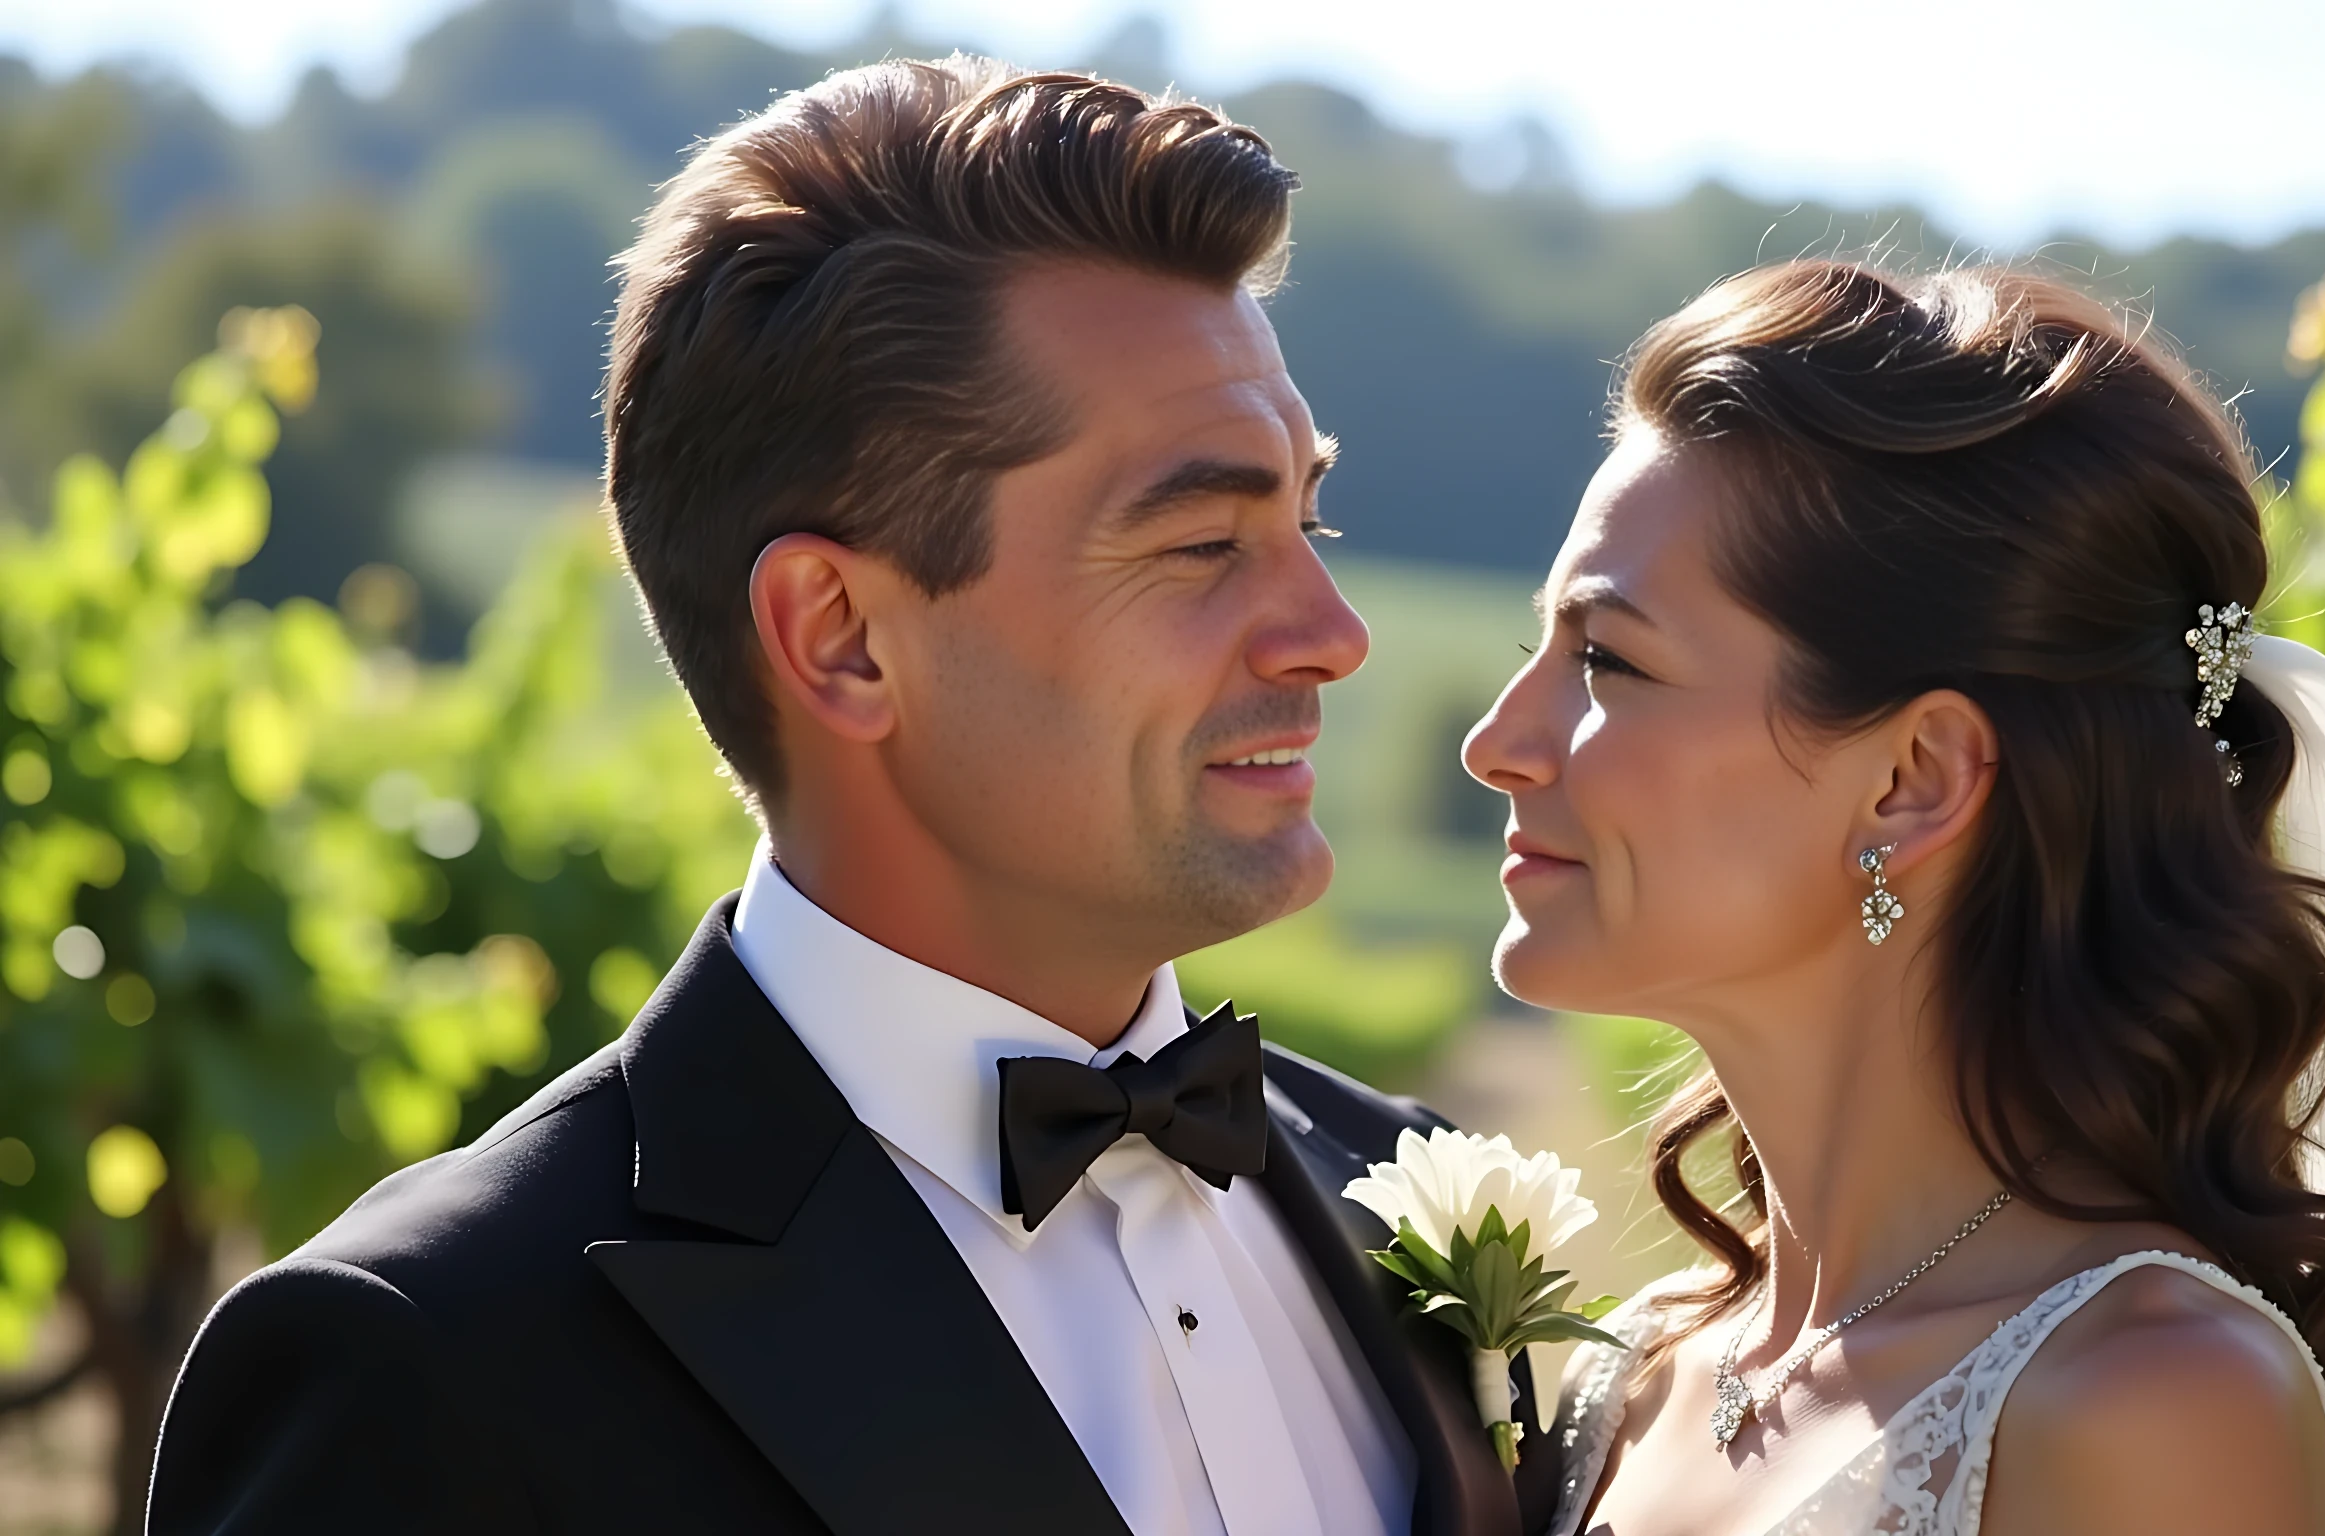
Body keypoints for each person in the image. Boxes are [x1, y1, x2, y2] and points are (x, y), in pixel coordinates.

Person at [147, 57, 1555, 1536]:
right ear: (842, 637)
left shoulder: (1409, 1200)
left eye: (1308, 517)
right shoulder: (430, 1363)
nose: (1333, 633)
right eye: (1202, 543)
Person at [1463, 260, 2325, 1534]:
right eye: (1540, 651)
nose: (1497, 740)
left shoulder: (2153, 1406)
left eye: (1607, 658)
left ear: (1914, 778)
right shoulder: (1630, 1373)